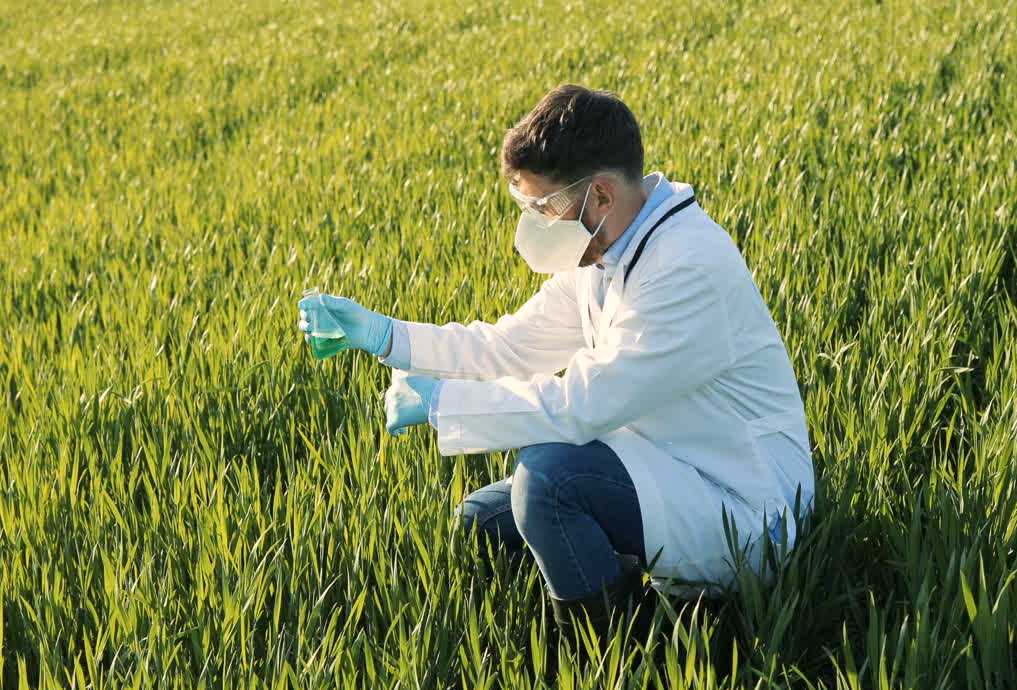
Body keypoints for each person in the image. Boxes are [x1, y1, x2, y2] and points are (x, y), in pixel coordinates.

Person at [296, 85, 815, 632]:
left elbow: (579, 406)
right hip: (666, 458)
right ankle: (613, 579)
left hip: (743, 500)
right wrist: (385, 336)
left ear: (602, 195)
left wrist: (443, 402)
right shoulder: (603, 251)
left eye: (545, 207)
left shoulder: (685, 267)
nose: (538, 224)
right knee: (482, 522)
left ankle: (613, 660)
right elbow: (512, 345)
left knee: (548, 482)